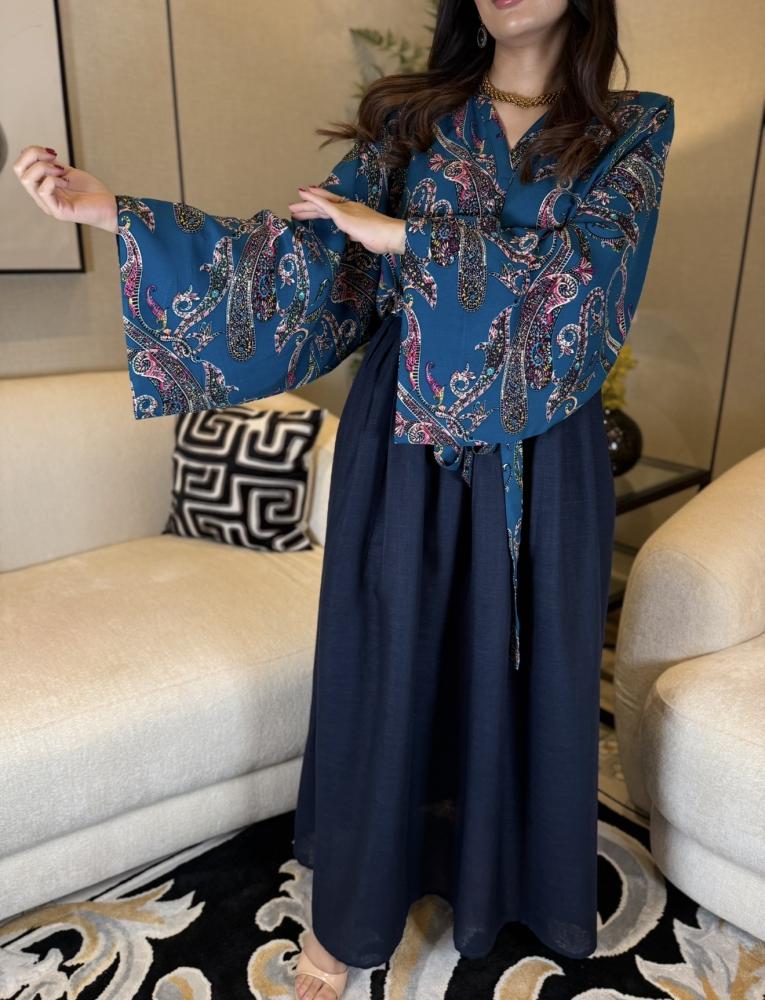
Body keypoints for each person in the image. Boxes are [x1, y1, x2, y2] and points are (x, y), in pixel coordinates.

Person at [14, 0, 675, 996]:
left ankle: (498, 884)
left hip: (542, 450)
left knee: (525, 661)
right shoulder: (414, 118)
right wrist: (118, 215)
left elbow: (591, 283)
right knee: (385, 656)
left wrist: (407, 238)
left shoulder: (631, 127)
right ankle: (353, 915)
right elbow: (311, 258)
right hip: (403, 437)